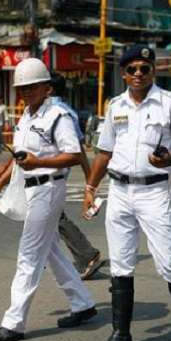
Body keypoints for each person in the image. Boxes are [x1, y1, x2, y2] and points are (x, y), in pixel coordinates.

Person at [82, 45, 171, 341]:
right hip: (119, 193)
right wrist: (90, 186)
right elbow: (104, 152)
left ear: (153, 70)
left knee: (169, 262)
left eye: (144, 68)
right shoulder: (115, 105)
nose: (138, 74)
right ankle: (121, 333)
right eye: (132, 69)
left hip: (154, 193)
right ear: (124, 73)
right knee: (121, 263)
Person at [0, 58, 96, 341]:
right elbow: (21, 158)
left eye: (32, 87)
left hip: (49, 188)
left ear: (47, 87)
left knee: (29, 255)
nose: (26, 92)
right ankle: (83, 303)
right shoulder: (27, 115)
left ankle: (14, 323)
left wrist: (42, 163)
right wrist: (0, 182)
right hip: (30, 188)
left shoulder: (58, 115)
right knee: (50, 251)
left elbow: (74, 154)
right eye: (22, 88)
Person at [48, 73, 103, 280]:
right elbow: (79, 149)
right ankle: (82, 257)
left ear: (49, 89)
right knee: (50, 218)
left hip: (50, 172)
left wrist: (90, 182)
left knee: (52, 216)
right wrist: (90, 180)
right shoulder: (64, 110)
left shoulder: (58, 112)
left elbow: (76, 150)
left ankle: (87, 254)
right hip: (48, 172)